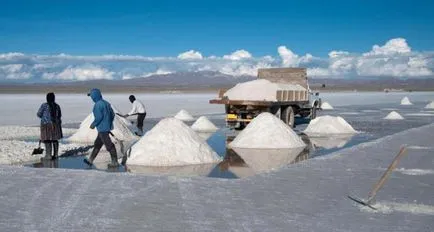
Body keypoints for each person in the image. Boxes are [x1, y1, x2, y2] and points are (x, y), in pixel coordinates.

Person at [83, 88, 120, 168]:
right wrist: (108, 122)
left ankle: (115, 162)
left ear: (94, 96)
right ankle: (90, 161)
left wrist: (93, 124)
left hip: (102, 129)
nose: (91, 98)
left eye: (91, 96)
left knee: (109, 145)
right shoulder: (106, 103)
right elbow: (112, 115)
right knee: (97, 145)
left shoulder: (97, 105)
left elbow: (99, 117)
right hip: (105, 127)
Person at [37, 92, 63, 160]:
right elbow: (60, 115)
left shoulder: (44, 105)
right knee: (54, 139)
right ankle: (56, 154)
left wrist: (45, 117)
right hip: (56, 125)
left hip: (46, 125)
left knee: (47, 139)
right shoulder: (57, 106)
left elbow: (39, 114)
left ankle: (48, 155)